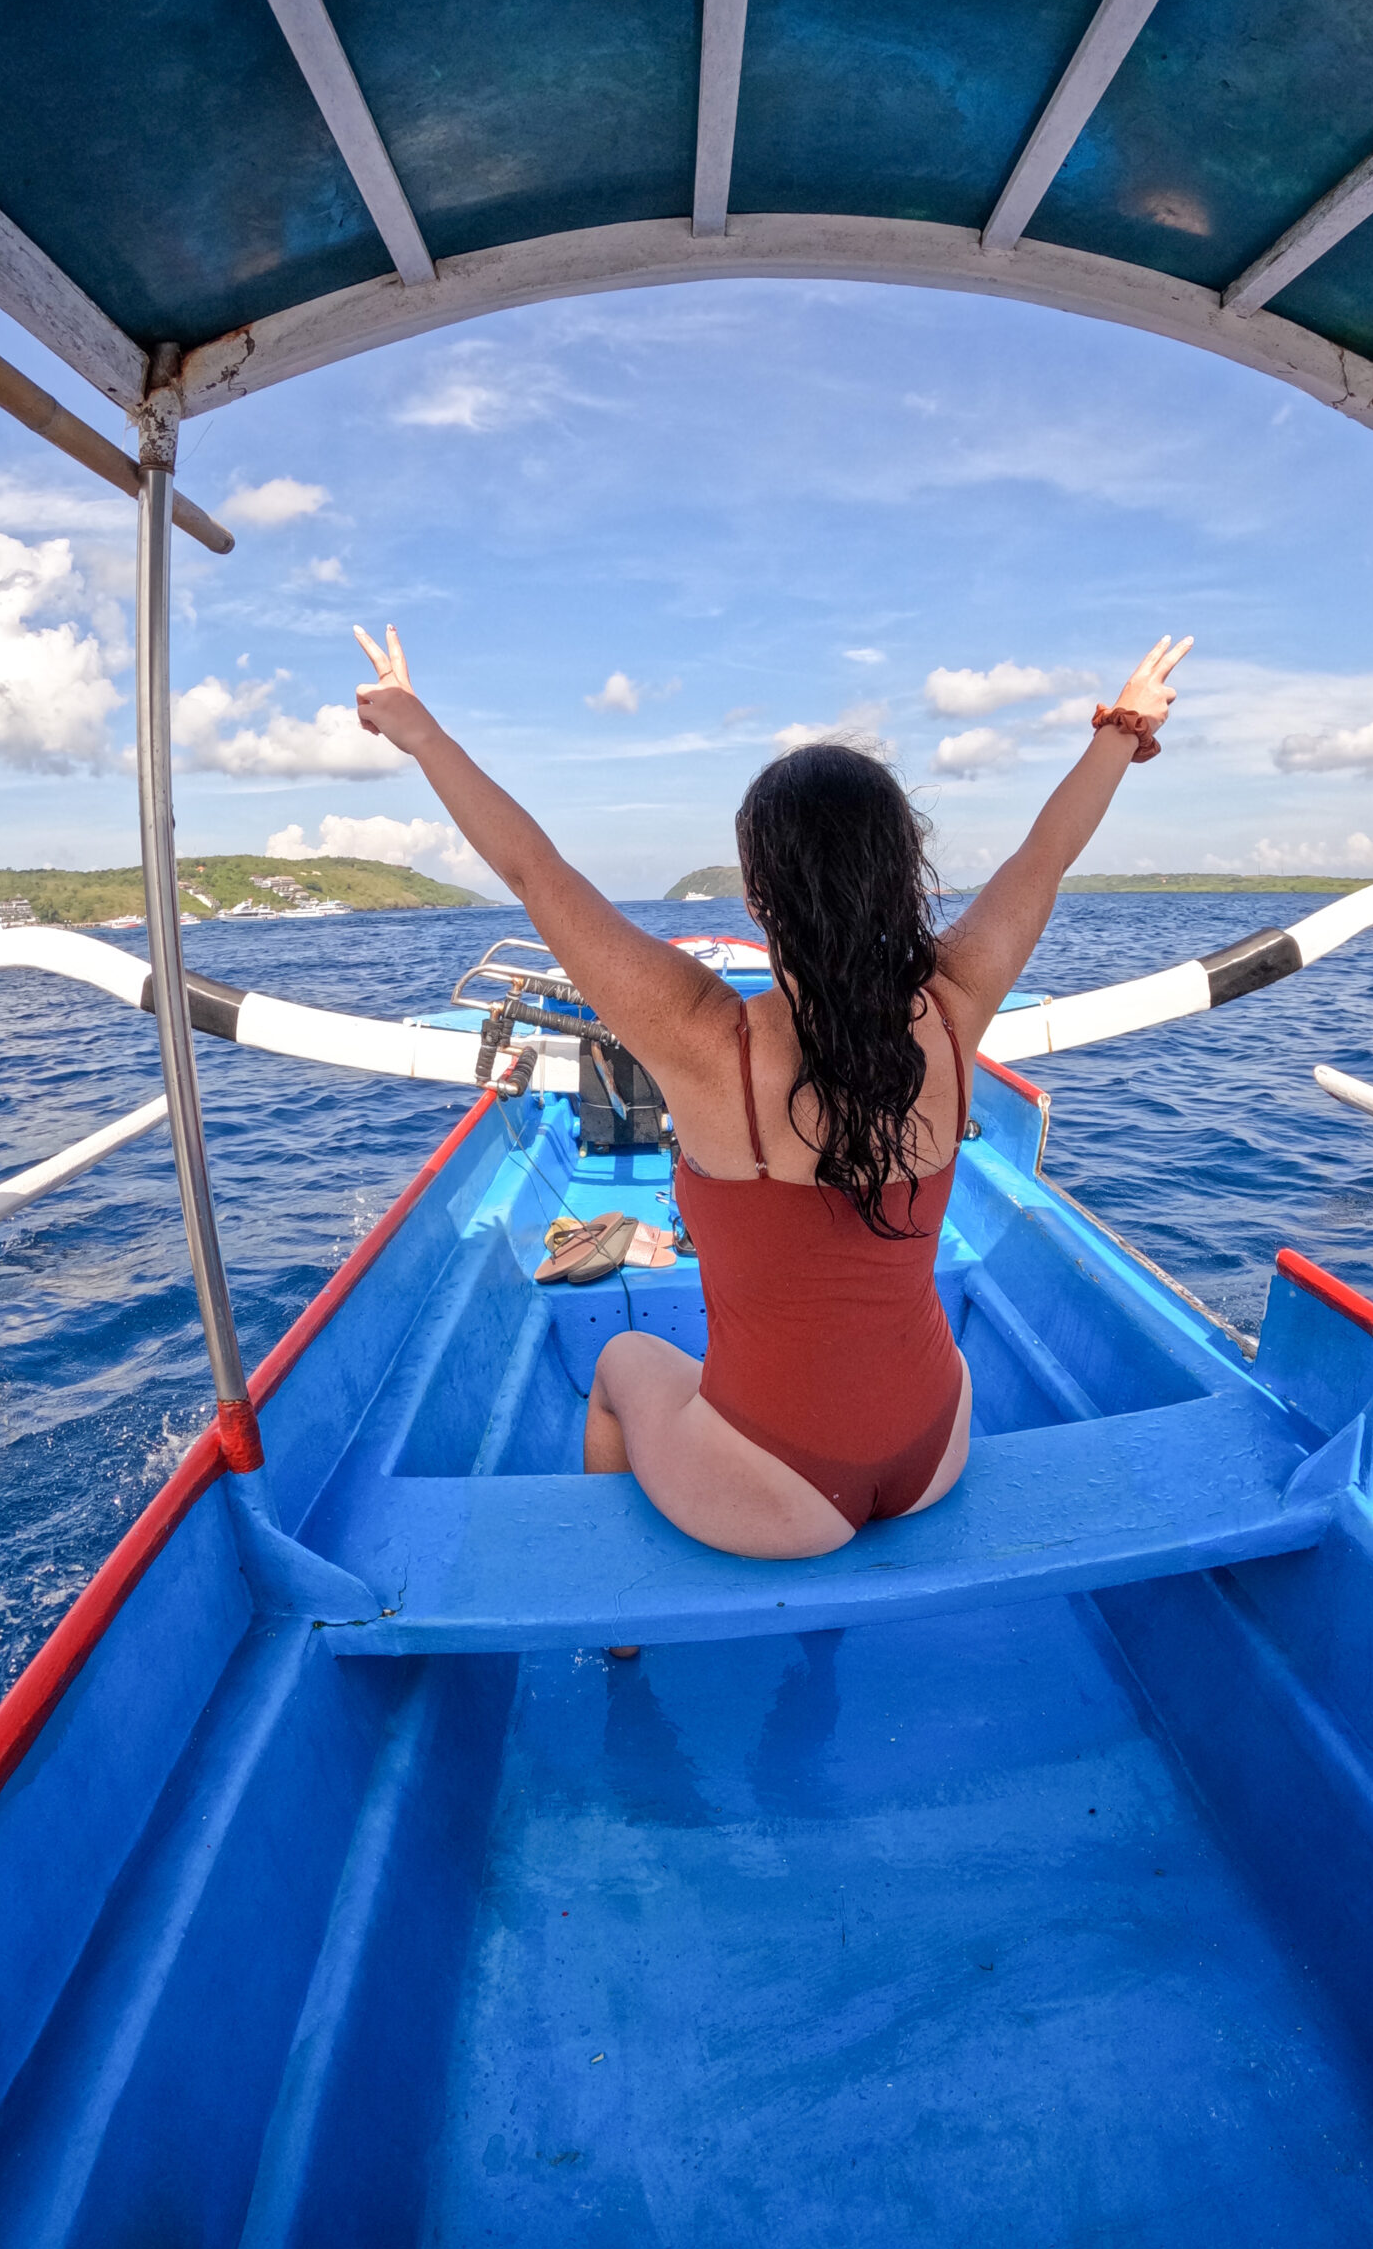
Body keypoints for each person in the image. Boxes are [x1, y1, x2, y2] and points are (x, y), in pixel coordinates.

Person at [354, 625, 1191, 1563]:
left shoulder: (702, 1035)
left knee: (623, 1364)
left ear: (756, 896)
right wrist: (1121, 729)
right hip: (935, 1448)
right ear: (903, 875)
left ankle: (625, 1624)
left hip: (775, 1492)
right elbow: (1045, 858)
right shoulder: (957, 1006)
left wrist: (420, 733)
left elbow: (533, 871)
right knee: (917, 1348)